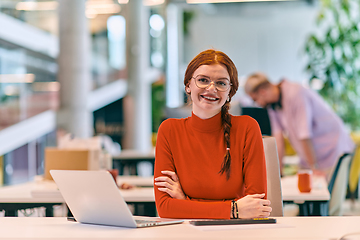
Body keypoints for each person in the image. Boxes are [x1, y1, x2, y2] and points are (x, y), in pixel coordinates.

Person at [154, 49, 272, 219]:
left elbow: (256, 207)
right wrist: (233, 209)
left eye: (221, 83)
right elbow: (165, 208)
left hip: (237, 234)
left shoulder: (247, 128)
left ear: (230, 91)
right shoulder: (169, 130)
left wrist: (185, 202)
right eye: (203, 80)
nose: (211, 88)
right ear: (188, 85)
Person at [244, 72, 355, 178]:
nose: (258, 104)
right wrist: (277, 172)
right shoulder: (272, 105)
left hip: (332, 147)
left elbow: (304, 134)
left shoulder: (296, 94)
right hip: (312, 156)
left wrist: (313, 167)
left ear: (262, 91)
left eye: (255, 99)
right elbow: (277, 139)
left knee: (324, 193)